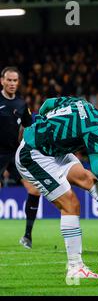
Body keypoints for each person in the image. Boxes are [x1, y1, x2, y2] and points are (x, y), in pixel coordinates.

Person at [15, 96, 98, 281]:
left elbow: (48, 103)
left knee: (87, 178)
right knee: (71, 204)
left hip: (53, 150)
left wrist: (41, 122)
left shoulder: (80, 103)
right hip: (33, 154)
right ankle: (75, 267)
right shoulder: (95, 127)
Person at [0, 66, 41, 249]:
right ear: (2, 81)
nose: (12, 83)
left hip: (14, 153)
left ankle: (27, 237)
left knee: (34, 190)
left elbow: (28, 127)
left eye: (15, 80)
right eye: (9, 80)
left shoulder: (21, 104)